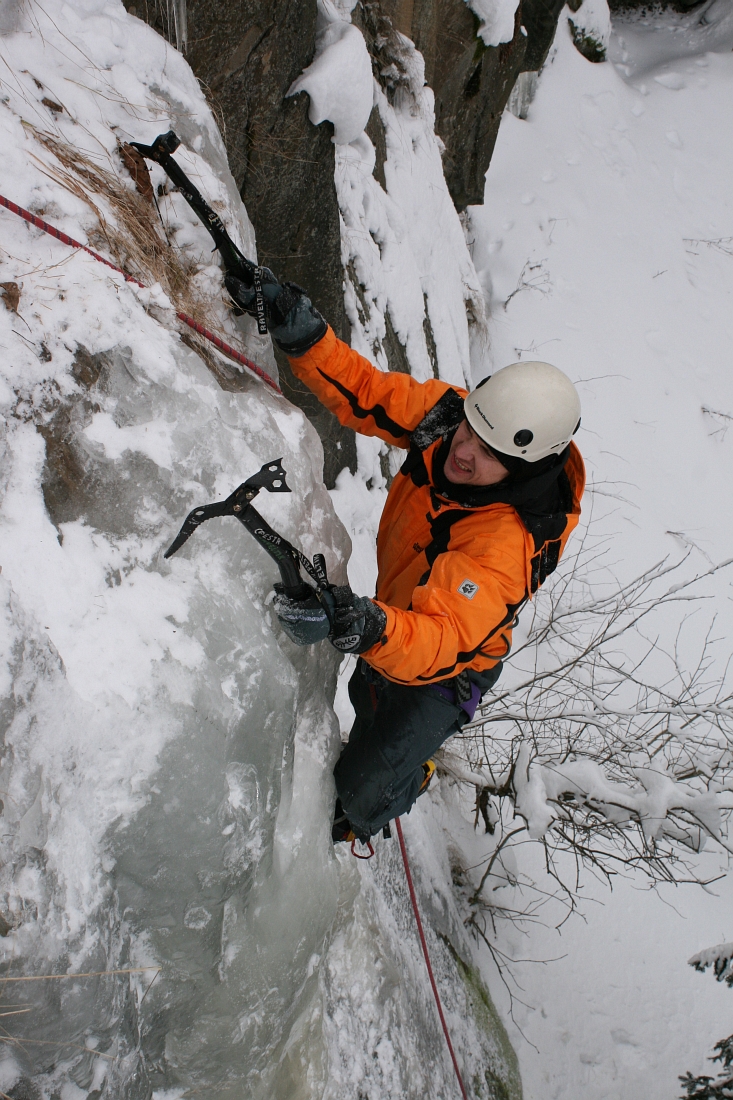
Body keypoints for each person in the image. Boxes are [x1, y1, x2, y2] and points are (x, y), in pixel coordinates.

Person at [226, 270, 586, 845]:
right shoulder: (458, 420)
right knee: (366, 699)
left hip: (453, 662)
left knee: (359, 793)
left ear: (522, 470)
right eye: (467, 430)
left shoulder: (503, 546)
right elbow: (369, 394)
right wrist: (303, 334)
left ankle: (403, 783)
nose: (460, 452)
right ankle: (385, 735)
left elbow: (443, 637)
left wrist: (369, 627)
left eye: (486, 454)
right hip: (400, 616)